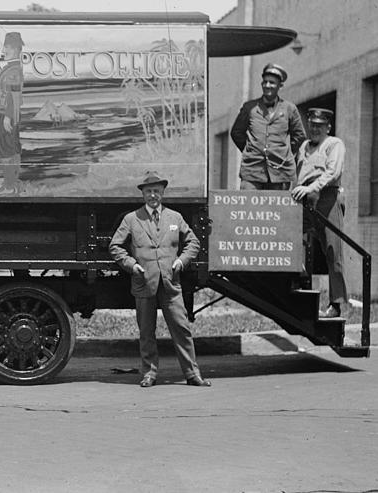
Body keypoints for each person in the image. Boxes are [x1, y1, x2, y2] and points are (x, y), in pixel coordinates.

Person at [109, 171, 211, 388]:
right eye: (148, 192)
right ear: (143, 194)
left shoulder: (175, 218)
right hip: (144, 283)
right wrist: (131, 264)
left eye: (156, 191)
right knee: (146, 332)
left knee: (181, 328)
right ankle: (149, 374)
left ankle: (193, 374)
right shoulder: (131, 219)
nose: (152, 195)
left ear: (163, 192)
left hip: (170, 283)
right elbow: (115, 246)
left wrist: (181, 262)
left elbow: (193, 243)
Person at [291, 108, 348, 318]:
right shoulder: (304, 146)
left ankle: (336, 304)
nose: (315, 129)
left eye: (320, 126)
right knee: (295, 240)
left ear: (328, 127)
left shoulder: (335, 144)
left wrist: (311, 187)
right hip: (305, 198)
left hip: (327, 197)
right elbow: (298, 174)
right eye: (312, 125)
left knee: (333, 251)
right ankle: (299, 288)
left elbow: (333, 172)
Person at [230, 63, 306, 190]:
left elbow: (299, 135)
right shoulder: (250, 108)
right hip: (252, 171)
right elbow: (236, 132)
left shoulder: (289, 109)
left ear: (280, 86)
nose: (267, 85)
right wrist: (251, 150)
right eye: (265, 82)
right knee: (248, 206)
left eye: (272, 82)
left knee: (277, 209)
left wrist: (284, 153)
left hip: (280, 171)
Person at [0, 31, 25, 195]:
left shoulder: (13, 70)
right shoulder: (13, 68)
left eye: (7, 47)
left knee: (4, 148)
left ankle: (10, 186)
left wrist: (8, 116)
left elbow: (14, 95)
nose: (3, 50)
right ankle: (12, 184)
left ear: (15, 49)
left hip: (7, 115)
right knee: (10, 147)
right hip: (8, 113)